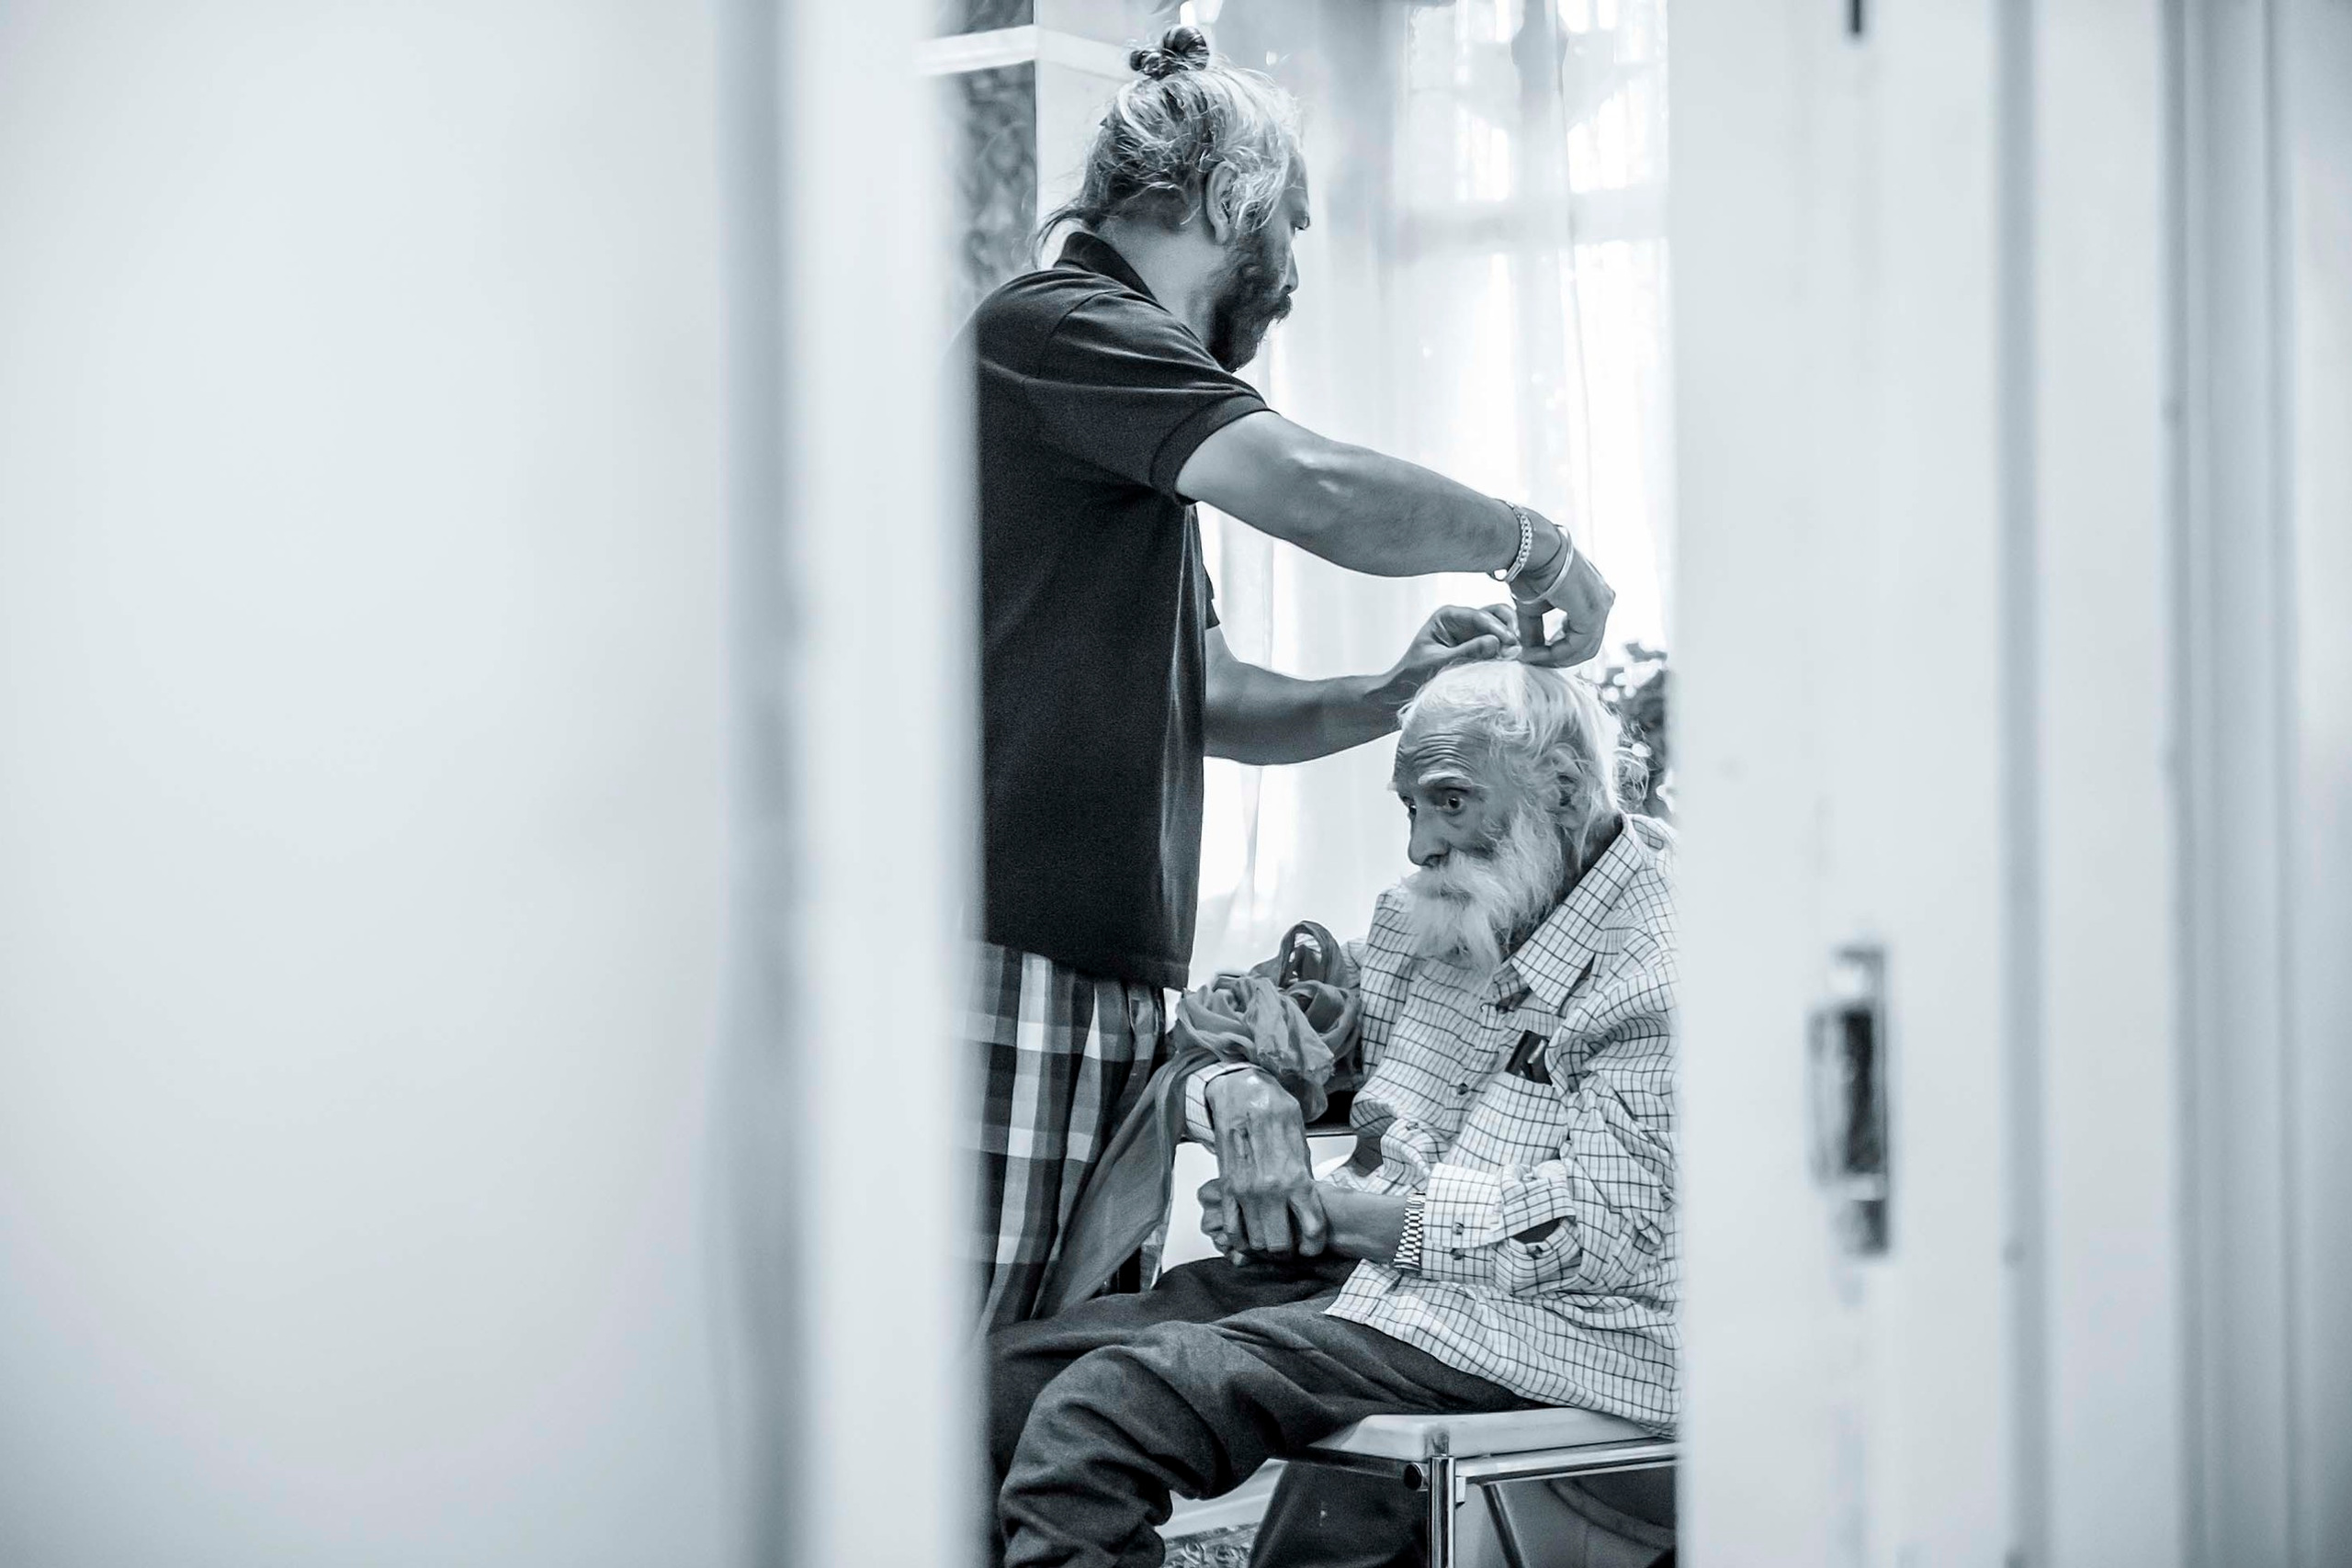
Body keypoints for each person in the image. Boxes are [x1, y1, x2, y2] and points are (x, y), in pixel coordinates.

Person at [967, 22, 1616, 1330]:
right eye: (1296, 228)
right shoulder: (1060, 328)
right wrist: (1533, 543)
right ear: (1228, 198)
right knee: (956, 1402)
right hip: (1004, 954)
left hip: (1089, 967)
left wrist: (1379, 698)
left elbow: (1205, 700)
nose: (1298, 276)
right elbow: (1314, 489)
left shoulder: (1120, 405)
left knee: (1028, 1387)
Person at [986, 660, 1679, 1568]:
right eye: (1408, 809)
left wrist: (1358, 1218)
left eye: (1450, 801)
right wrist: (1242, 1090)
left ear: (1559, 787)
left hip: (1558, 1322)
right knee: (1000, 1385)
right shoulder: (1427, 919)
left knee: (1099, 1416)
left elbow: (1612, 1225)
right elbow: (1251, 1017)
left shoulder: (1662, 957)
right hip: (1365, 1282)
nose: (1420, 845)